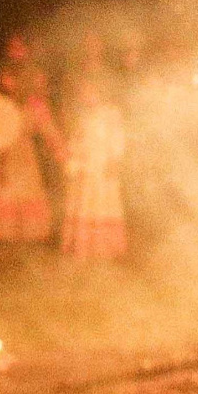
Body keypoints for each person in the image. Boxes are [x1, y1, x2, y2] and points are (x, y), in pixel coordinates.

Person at [0, 36, 63, 244]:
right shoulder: (0, 102)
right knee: (1, 192)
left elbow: (47, 126)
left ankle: (25, 234)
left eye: (20, 47)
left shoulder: (34, 103)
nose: (9, 82)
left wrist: (59, 148)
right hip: (0, 149)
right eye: (12, 47)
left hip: (23, 152)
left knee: (24, 189)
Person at [58, 58, 129, 260]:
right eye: (82, 92)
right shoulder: (82, 116)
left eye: (88, 91)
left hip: (102, 164)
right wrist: (71, 157)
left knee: (101, 203)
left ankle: (103, 247)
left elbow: (118, 137)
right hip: (85, 165)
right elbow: (76, 139)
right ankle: (83, 245)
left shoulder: (111, 112)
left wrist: (114, 159)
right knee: (83, 203)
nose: (84, 95)